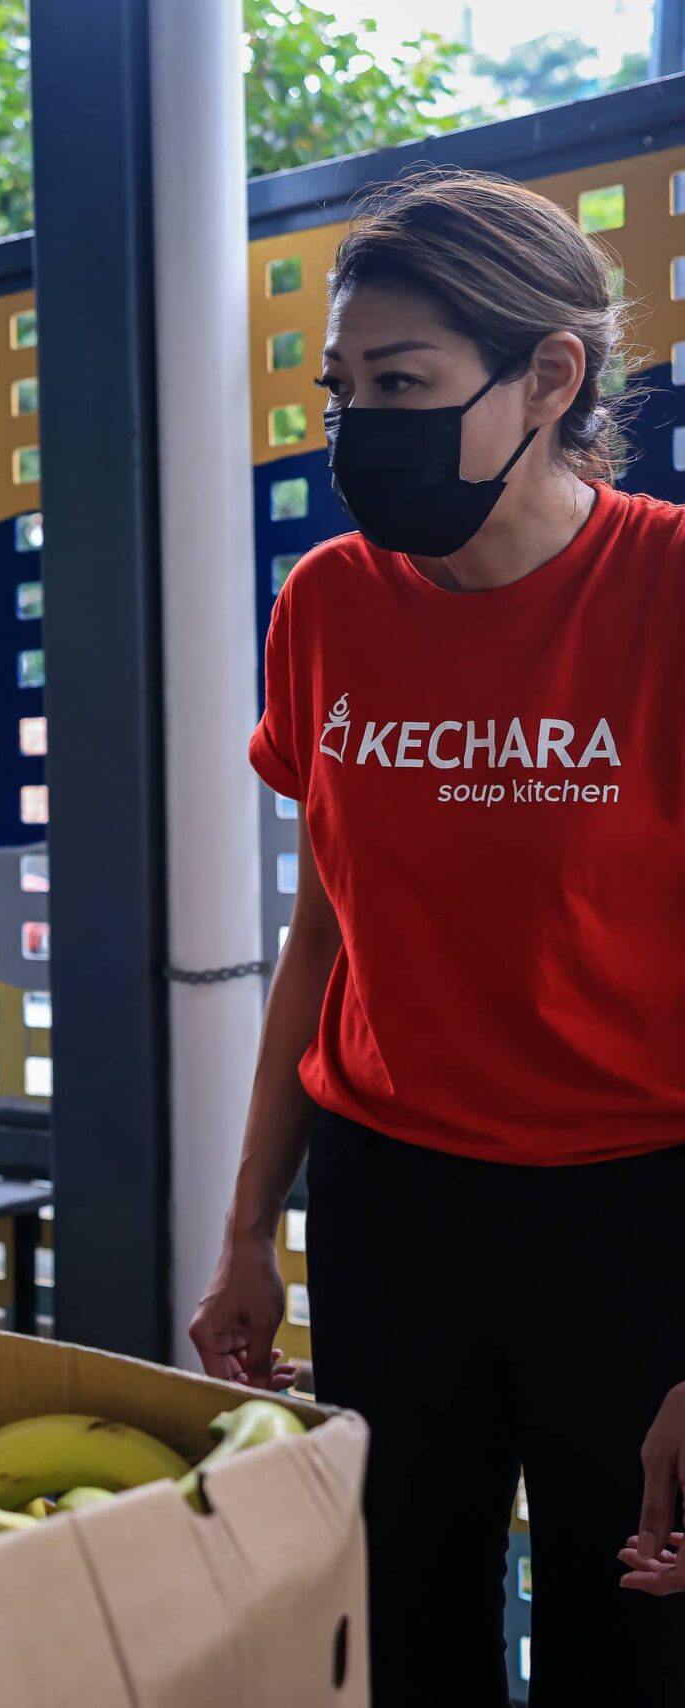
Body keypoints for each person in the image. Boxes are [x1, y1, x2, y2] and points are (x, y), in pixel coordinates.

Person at [185, 169, 685, 1706]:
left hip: (639, 1221)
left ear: (551, 378)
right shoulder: (330, 604)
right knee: (402, 1631)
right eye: (342, 388)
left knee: (637, 1655)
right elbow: (325, 932)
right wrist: (248, 1227)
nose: (356, 431)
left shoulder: (667, 590)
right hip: (396, 1199)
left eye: (399, 384)